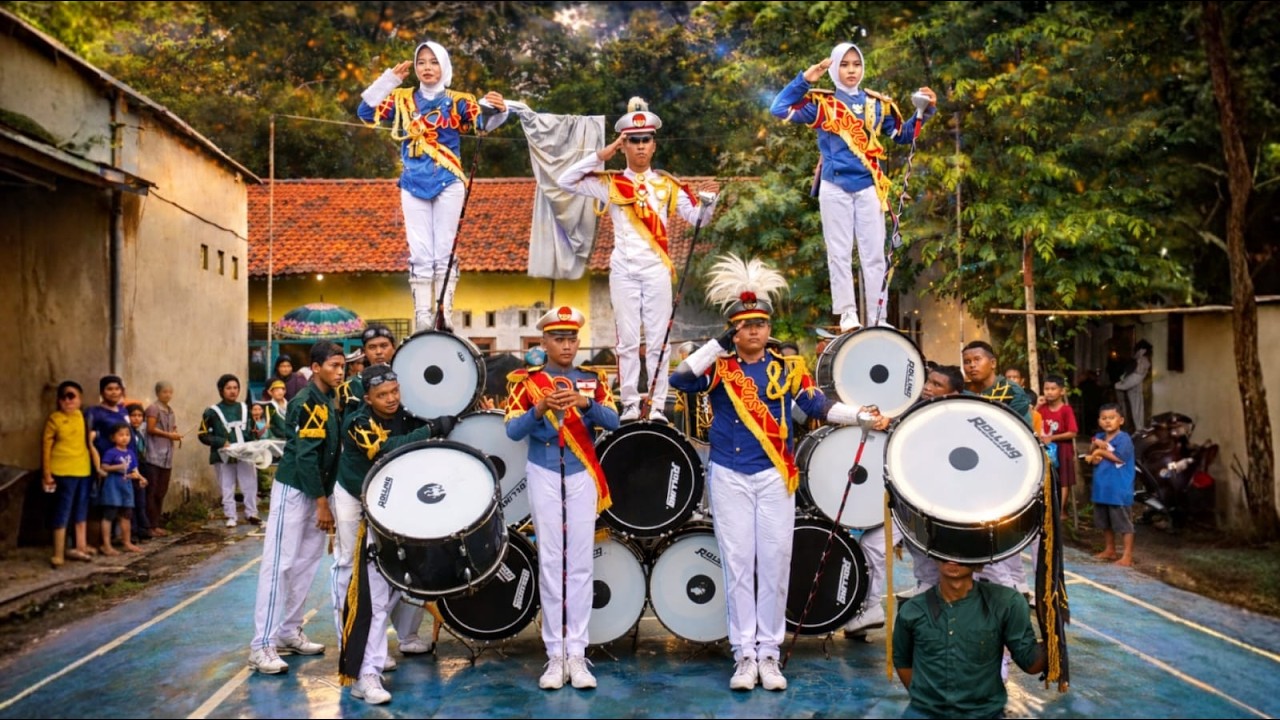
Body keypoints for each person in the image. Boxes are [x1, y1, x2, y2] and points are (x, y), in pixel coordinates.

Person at [669, 254, 875, 692]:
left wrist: (860, 416)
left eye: (760, 324)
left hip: (775, 476)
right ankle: (744, 654)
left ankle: (769, 653)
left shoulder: (787, 368)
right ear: (733, 330)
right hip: (730, 474)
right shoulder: (720, 368)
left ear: (769, 328)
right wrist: (718, 344)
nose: (754, 331)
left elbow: (817, 405)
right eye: (745, 325)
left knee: (776, 563)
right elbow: (680, 379)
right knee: (739, 565)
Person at [557, 97, 716, 422]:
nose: (640, 146)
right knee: (627, 341)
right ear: (624, 145)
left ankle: (656, 407)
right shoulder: (611, 183)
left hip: (656, 269)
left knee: (659, 342)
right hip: (624, 270)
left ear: (654, 145)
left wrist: (709, 202)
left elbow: (698, 220)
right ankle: (630, 403)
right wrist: (602, 155)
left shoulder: (668, 185)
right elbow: (565, 181)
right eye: (633, 140)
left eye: (645, 140)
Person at [770, 43, 936, 333]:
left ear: (863, 68)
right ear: (834, 68)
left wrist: (926, 109)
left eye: (856, 64)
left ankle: (878, 316)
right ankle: (847, 313)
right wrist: (806, 79)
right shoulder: (823, 104)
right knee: (839, 252)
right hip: (834, 186)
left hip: (869, 186)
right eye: (844, 64)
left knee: (874, 255)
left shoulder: (877, 104)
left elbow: (904, 135)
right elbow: (779, 108)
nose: (851, 70)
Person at [357, 41, 509, 332]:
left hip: (448, 180)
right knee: (420, 252)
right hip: (413, 182)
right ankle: (422, 315)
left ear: (444, 66)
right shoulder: (401, 98)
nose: (427, 67)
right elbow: (365, 112)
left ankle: (444, 312)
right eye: (421, 62)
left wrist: (498, 108)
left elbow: (483, 123)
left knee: (444, 250)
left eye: (433, 61)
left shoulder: (459, 100)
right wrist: (388, 81)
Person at [504, 306, 619, 691]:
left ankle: (578, 653)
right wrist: (539, 408)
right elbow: (512, 431)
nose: (567, 345)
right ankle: (555, 654)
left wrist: (585, 405)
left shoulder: (592, 380)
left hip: (581, 473)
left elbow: (614, 420)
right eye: (558, 338)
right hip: (544, 471)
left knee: (581, 563)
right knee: (552, 561)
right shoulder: (526, 382)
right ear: (545, 341)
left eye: (571, 338)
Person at [333, 364, 457, 704]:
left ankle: (372, 663)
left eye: (394, 392)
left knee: (390, 589)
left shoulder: (406, 414)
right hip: (359, 501)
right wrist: (431, 428)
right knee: (364, 589)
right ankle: (362, 670)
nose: (390, 399)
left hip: (391, 506)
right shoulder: (357, 421)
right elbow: (384, 449)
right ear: (367, 398)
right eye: (381, 395)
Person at [843, 364, 966, 637]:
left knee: (923, 559)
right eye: (929, 381)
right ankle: (871, 609)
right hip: (908, 498)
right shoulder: (919, 408)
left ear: (953, 393)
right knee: (900, 551)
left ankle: (931, 619)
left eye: (937, 385)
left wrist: (892, 424)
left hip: (931, 503)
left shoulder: (954, 418)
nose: (928, 387)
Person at [247, 341, 345, 675]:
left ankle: (289, 630)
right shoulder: (306, 401)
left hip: (317, 490)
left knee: (305, 563)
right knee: (280, 565)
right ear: (316, 368)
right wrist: (322, 503)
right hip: (295, 490)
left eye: (342, 366)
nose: (340, 372)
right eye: (333, 366)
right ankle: (262, 646)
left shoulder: (329, 399)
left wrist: (325, 499)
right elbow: (305, 455)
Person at [892, 558, 1046, 719]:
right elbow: (902, 661)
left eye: (962, 551)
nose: (952, 558)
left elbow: (1030, 662)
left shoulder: (1006, 603)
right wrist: (928, 702)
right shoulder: (912, 610)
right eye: (945, 551)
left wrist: (1054, 641)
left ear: (979, 564)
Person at [960, 341, 1031, 596]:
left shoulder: (1011, 392)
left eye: (976, 360)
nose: (971, 366)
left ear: (993, 362)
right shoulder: (965, 392)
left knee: (1000, 530)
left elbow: (1019, 434)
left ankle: (1010, 587)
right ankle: (1012, 583)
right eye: (967, 361)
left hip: (1005, 472)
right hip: (975, 472)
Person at [42, 381, 99, 567]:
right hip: (63, 471)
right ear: (59, 401)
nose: (68, 401)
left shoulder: (84, 417)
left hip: (84, 470)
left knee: (81, 509)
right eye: (64, 397)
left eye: (72, 396)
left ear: (80, 399)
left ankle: (80, 546)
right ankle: (58, 553)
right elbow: (46, 447)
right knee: (63, 511)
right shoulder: (55, 419)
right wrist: (47, 473)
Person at [199, 374, 261, 529]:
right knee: (227, 486)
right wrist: (221, 442)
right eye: (228, 388)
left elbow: (252, 431)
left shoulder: (245, 408)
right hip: (224, 454)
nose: (233, 391)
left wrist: (254, 444)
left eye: (235, 388)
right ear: (221, 390)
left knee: (250, 483)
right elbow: (203, 435)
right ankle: (230, 516)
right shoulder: (212, 412)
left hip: (245, 453)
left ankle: (252, 513)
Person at [1085, 403, 1136, 567]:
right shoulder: (1099, 436)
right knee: (1104, 522)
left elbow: (1120, 457)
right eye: (1104, 418)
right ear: (1099, 421)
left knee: (1124, 523)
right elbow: (1091, 453)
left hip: (1118, 488)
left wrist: (1100, 451)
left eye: (1112, 418)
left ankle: (1127, 555)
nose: (1108, 421)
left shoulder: (1124, 439)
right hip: (1102, 487)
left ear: (1121, 420)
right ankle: (1110, 549)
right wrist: (1095, 445)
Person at [98, 422, 143, 556]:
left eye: (127, 435)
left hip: (126, 486)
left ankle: (127, 542)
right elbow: (104, 467)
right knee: (109, 515)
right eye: (121, 435)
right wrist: (117, 467)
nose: (125, 438)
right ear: (113, 438)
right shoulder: (111, 452)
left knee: (126, 515)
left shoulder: (130, 453)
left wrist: (141, 478)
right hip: (113, 486)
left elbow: (134, 470)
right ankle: (106, 545)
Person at [143, 382, 181, 537]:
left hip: (167, 457)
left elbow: (171, 428)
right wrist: (169, 435)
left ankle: (156, 524)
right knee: (151, 492)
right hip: (153, 455)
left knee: (161, 492)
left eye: (170, 392)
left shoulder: (170, 410)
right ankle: (149, 526)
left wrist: (174, 432)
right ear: (158, 393)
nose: (168, 395)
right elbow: (150, 429)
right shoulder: (153, 408)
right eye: (165, 392)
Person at [1038, 375, 1079, 512]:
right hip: (1046, 449)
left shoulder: (1066, 410)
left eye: (1053, 389)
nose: (1049, 392)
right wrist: (1037, 405)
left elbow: (1073, 432)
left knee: (1064, 480)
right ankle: (1047, 510)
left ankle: (1061, 511)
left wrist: (1053, 438)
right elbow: (1033, 420)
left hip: (1063, 449)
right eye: (1046, 389)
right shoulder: (1042, 408)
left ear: (1062, 391)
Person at [126, 403, 152, 541]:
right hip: (132, 470)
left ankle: (142, 529)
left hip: (141, 468)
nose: (136, 418)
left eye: (140, 415)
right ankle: (134, 531)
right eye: (133, 415)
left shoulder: (138, 433)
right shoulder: (128, 433)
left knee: (141, 501)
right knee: (133, 501)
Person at [1115, 339, 1152, 430]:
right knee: (1135, 410)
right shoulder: (1139, 361)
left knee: (1136, 410)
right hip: (1131, 389)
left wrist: (1119, 384)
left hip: (1133, 389)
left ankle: (1138, 429)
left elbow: (1134, 377)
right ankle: (1137, 429)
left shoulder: (1141, 361)